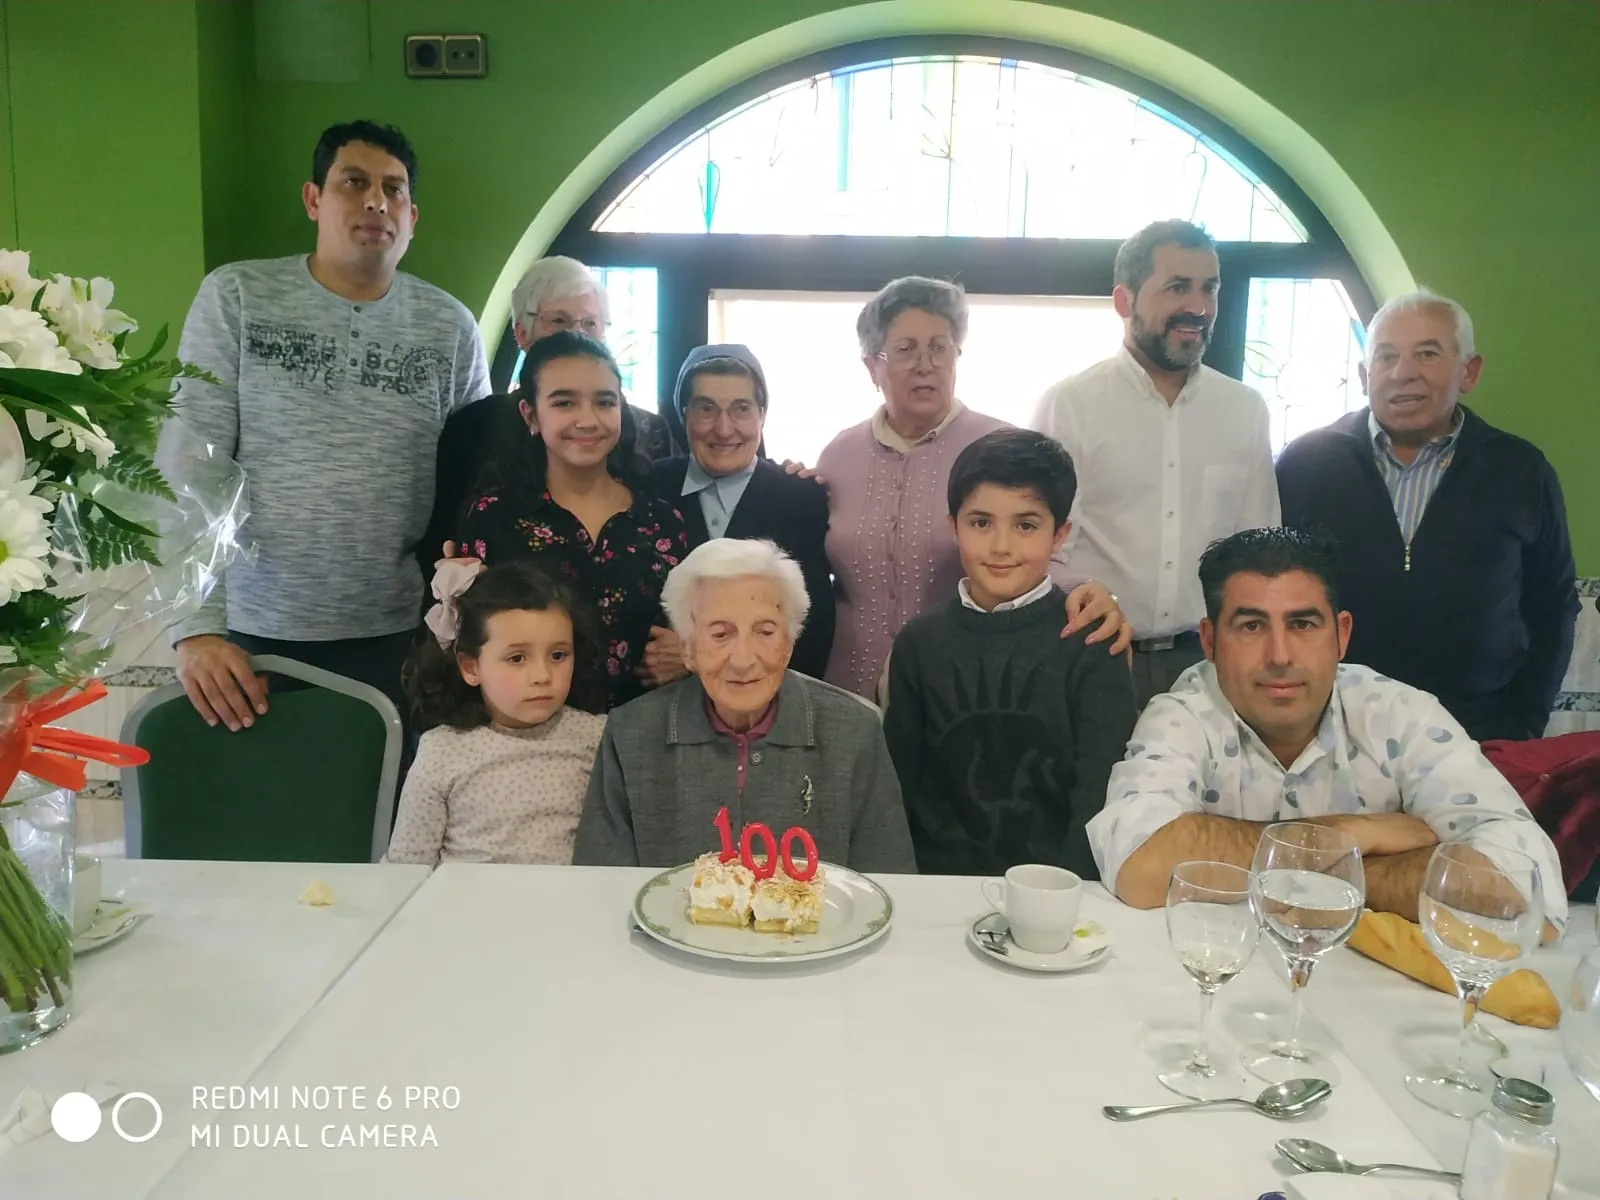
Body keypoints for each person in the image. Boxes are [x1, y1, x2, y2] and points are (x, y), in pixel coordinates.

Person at [162, 119, 489, 732]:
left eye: (393, 190)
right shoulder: (237, 297)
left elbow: (480, 483)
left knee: (393, 823)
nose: (375, 201)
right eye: (354, 182)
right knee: (273, 822)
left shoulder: (450, 327)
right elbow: (188, 464)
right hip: (250, 640)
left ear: (412, 216)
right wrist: (194, 629)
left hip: (408, 636)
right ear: (314, 199)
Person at [1087, 528, 1568, 938]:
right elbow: (1140, 868)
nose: (1279, 654)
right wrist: (1349, 836)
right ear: (1210, 641)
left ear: (1341, 634)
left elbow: (1529, 892)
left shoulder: (1402, 714)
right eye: (1251, 625)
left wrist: (1327, 869)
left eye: (1302, 624)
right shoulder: (1183, 714)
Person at [1276, 289, 1578, 743]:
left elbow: (1553, 604)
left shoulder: (1520, 470)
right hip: (1331, 728)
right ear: (1364, 374)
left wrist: (1526, 721)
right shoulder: (1305, 463)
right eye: (1386, 357)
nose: (1403, 374)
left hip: (1480, 733)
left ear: (1469, 371)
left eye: (1427, 354)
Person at [813, 275, 1130, 702]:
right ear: (872, 365)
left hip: (961, 681)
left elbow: (1037, 555)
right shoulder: (839, 453)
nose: (926, 365)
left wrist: (1089, 592)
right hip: (845, 684)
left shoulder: (998, 447)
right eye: (906, 349)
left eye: (940, 347)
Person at [1031, 219, 1279, 706]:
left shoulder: (1244, 410)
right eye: (1176, 288)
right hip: (1090, 656)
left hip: (1210, 667)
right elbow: (1042, 549)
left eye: (1209, 288)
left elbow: (1258, 551)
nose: (1197, 306)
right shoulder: (1071, 406)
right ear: (1124, 301)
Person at [573, 538, 916, 873]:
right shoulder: (630, 733)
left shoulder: (854, 731)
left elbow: (890, 884)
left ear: (789, 644)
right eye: (721, 634)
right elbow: (600, 887)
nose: (743, 660)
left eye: (765, 632)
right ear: (688, 649)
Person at [884, 430, 1138, 879]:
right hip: (935, 887)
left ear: (1060, 535)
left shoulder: (1092, 640)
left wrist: (1066, 892)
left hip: (1060, 891)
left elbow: (1100, 788)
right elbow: (899, 786)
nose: (1001, 546)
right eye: (981, 522)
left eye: (1026, 525)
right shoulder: (919, 644)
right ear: (954, 526)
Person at [456, 331, 688, 710]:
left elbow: (698, 627)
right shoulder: (494, 518)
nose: (587, 420)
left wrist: (687, 653)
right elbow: (470, 643)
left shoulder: (662, 520)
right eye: (564, 402)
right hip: (533, 744)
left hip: (644, 737)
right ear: (530, 414)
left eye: (604, 402)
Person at [383, 561, 607, 866]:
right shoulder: (442, 750)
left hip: (568, 907)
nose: (542, 675)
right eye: (517, 658)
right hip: (467, 909)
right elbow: (406, 866)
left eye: (558, 655)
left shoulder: (597, 738)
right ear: (470, 667)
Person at [647, 344, 834, 678]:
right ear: (683, 414)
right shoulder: (648, 487)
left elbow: (813, 628)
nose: (723, 428)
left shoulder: (801, 499)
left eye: (741, 409)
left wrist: (695, 656)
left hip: (765, 705)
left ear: (762, 414)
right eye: (706, 409)